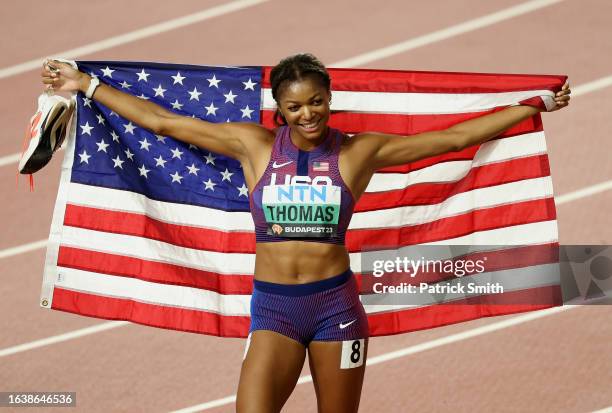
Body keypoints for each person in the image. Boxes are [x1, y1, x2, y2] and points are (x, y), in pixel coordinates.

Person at [40, 53, 570, 413]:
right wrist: (85, 85)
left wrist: (532, 104)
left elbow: (452, 138)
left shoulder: (360, 150)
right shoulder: (255, 146)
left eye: (316, 101)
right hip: (273, 310)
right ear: (280, 110)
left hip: (337, 309)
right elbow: (164, 123)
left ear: (329, 98)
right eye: (294, 106)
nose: (308, 114)